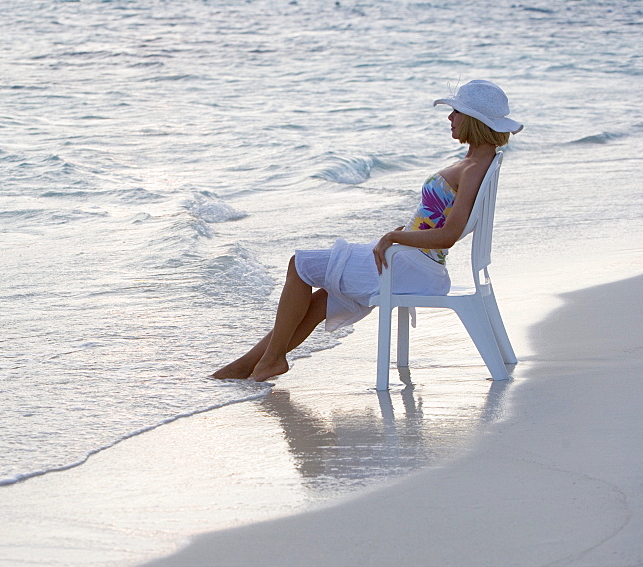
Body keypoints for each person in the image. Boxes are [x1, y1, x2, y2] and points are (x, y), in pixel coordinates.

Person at [213, 80, 523, 383]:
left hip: (414, 267)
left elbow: (448, 236)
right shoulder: (479, 161)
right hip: (416, 263)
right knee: (321, 299)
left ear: (473, 120)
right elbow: (441, 221)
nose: (450, 117)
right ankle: (246, 367)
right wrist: (408, 232)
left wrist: (393, 237)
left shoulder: (472, 168)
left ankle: (269, 360)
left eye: (456, 112)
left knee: (300, 264)